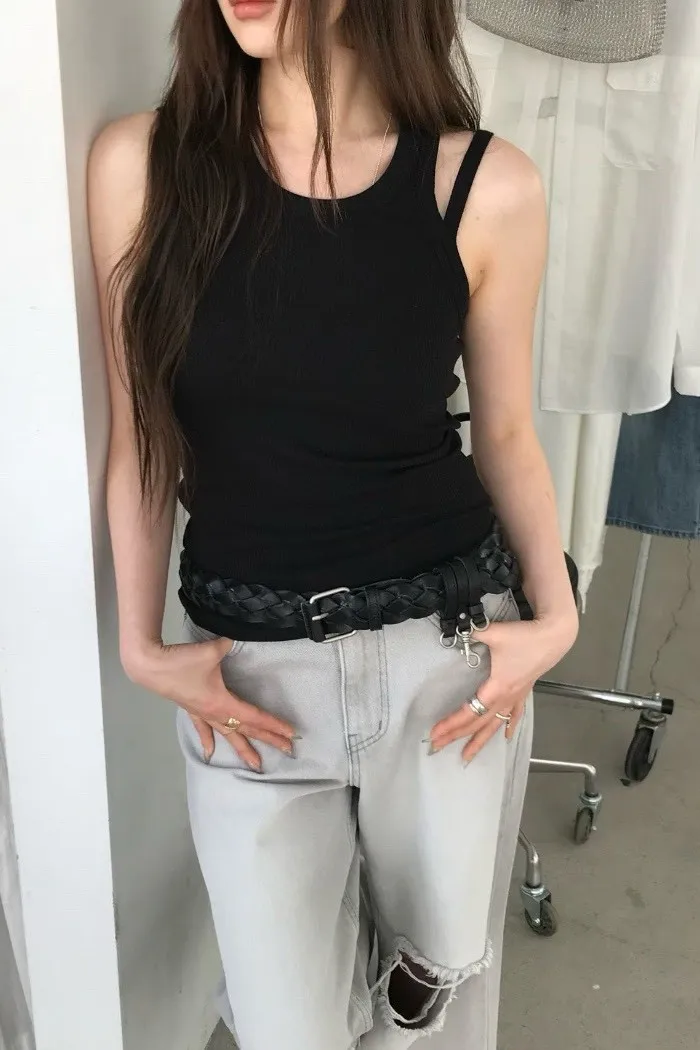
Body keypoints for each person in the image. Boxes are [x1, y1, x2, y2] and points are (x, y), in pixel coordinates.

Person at [88, 1, 578, 1047]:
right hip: (251, 682)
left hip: (447, 661)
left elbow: (504, 433)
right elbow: (141, 439)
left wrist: (559, 617)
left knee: (439, 1011)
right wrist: (139, 645)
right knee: (287, 1027)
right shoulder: (144, 169)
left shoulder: (483, 185)